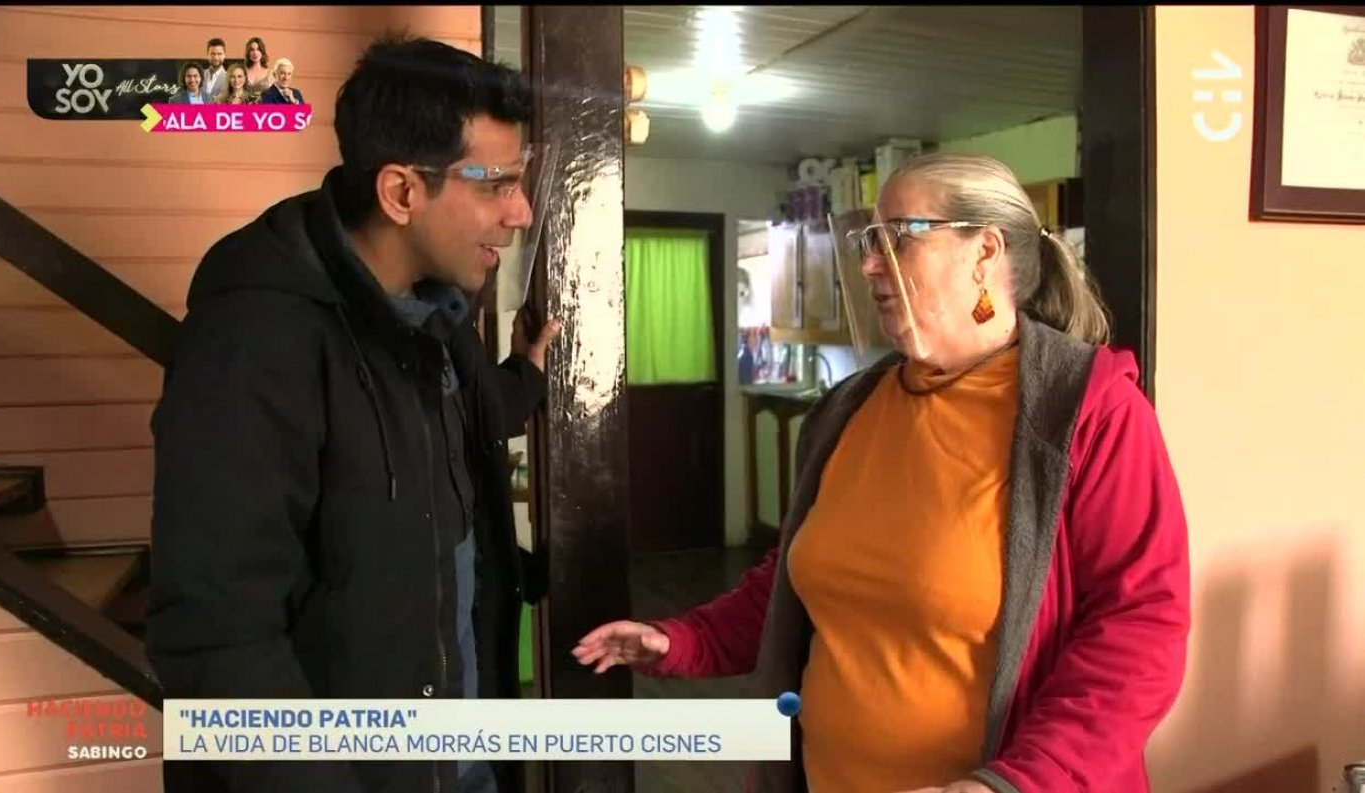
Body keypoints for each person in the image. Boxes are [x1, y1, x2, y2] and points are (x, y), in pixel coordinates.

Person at [575, 152, 1191, 793]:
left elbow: (1139, 630)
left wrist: (1011, 784)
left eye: (899, 236)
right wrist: (681, 640)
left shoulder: (1091, 413)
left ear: (984, 251)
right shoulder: (849, 410)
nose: (870, 263)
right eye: (869, 239)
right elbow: (799, 583)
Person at [148, 32, 558, 793]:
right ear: (401, 192)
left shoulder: (437, 315)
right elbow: (218, 637)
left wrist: (526, 375)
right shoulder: (254, 342)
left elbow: (443, 431)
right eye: (497, 183)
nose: (521, 212)